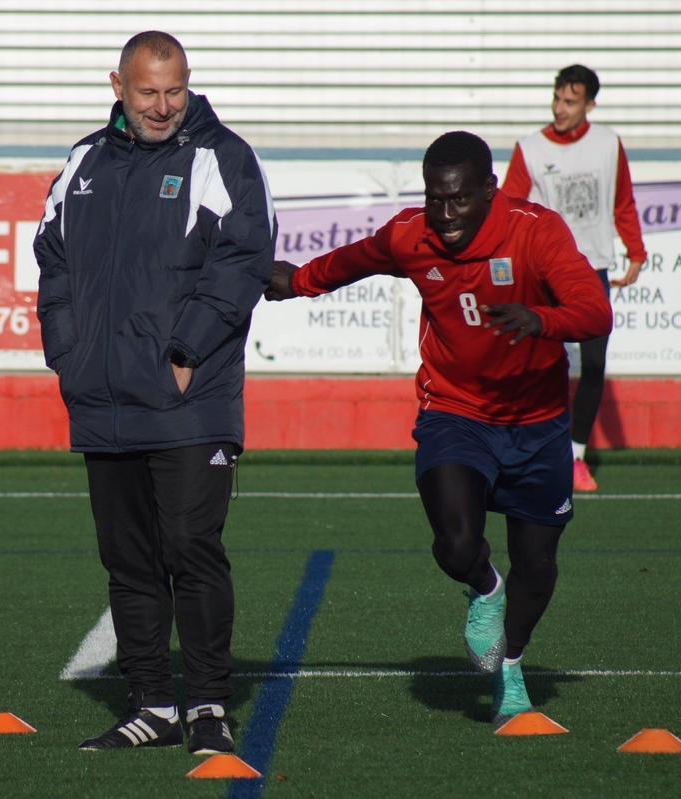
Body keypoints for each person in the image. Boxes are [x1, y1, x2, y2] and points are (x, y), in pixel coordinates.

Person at [264, 131, 611, 724]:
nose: (446, 215)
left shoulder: (536, 231)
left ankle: (511, 668)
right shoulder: (412, 234)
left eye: (459, 200)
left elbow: (595, 312)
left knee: (539, 565)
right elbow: (356, 260)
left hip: (537, 424)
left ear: (489, 191)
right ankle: (485, 589)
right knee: (454, 544)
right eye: (435, 199)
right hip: (455, 413)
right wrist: (297, 282)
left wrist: (541, 318)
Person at [34, 31, 275, 754]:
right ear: (118, 85)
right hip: (102, 398)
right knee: (130, 561)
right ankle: (152, 706)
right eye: (148, 92)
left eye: (175, 90)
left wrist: (186, 349)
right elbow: (52, 257)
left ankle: (206, 704)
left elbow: (244, 256)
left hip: (189, 400)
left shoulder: (221, 156)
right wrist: (66, 350)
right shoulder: (85, 160)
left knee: (192, 550)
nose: (164, 106)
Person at [501, 64, 647, 492]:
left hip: (593, 270)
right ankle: (523, 451)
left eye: (570, 101)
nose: (560, 108)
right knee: (535, 366)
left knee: (595, 364)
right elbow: (508, 208)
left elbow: (622, 201)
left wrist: (635, 251)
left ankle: (575, 457)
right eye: (557, 99)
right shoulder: (529, 148)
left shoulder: (607, 144)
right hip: (543, 273)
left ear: (589, 104)